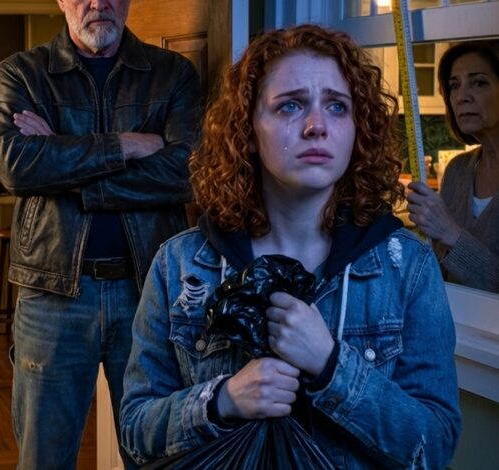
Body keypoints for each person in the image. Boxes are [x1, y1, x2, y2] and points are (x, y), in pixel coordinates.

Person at [120, 24, 461, 468]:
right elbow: (135, 431)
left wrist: (332, 366)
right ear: (248, 129)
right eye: (290, 105)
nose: (317, 126)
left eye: (337, 106)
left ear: (357, 129)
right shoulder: (181, 265)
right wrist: (220, 400)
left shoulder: (406, 267)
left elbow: (434, 445)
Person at [0, 0, 201, 467]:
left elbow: (186, 172)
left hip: (149, 290)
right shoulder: (23, 73)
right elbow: (17, 168)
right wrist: (128, 145)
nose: (98, 3)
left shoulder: (172, 73)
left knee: (155, 455)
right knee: (44, 458)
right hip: (51, 294)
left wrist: (61, 160)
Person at [407, 40, 499, 292]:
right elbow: (441, 270)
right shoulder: (458, 170)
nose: (461, 97)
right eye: (454, 86)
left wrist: (451, 233)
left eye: (478, 83)